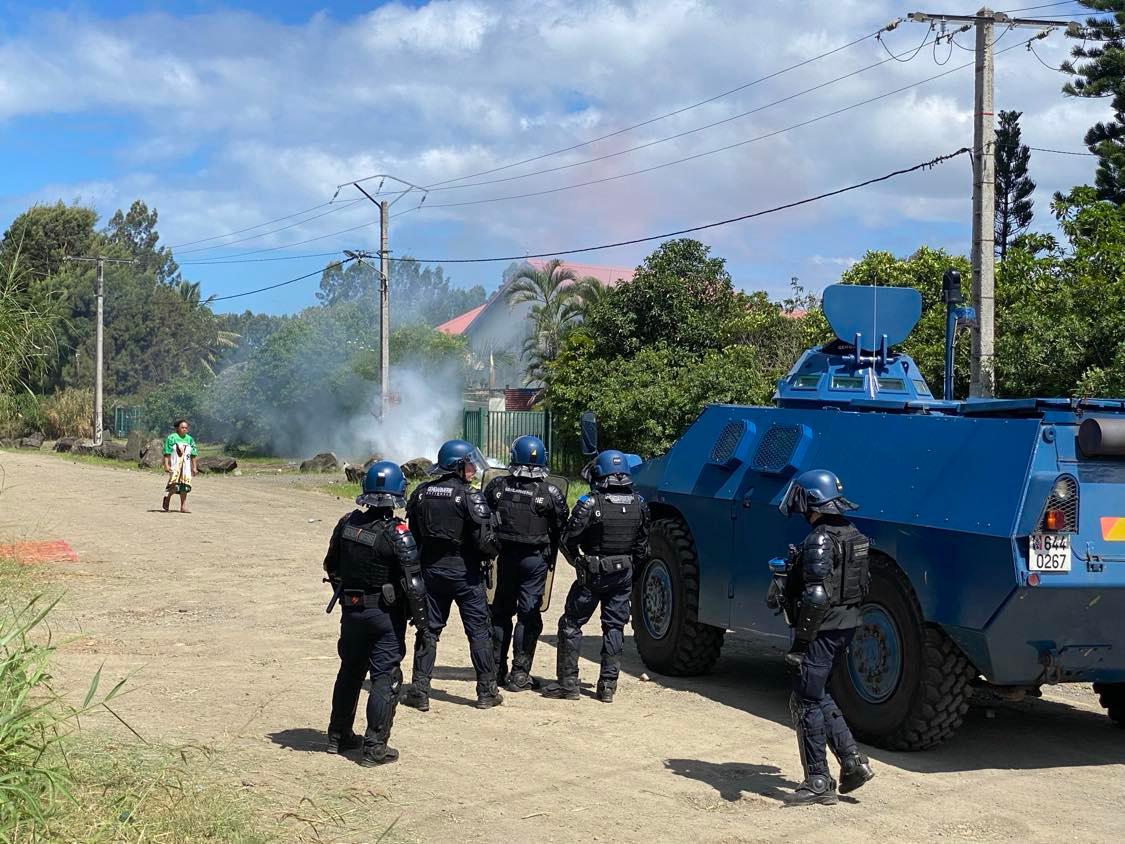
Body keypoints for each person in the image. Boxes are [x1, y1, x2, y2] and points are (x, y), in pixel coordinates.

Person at [771, 468, 875, 806]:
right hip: (845, 623)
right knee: (818, 692)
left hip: (823, 628)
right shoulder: (854, 534)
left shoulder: (821, 538)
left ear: (813, 500)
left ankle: (818, 779)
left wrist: (801, 645)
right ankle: (853, 762)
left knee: (805, 698)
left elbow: (817, 595)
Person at [323, 461, 430, 766]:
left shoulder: (347, 523)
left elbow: (331, 566)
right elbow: (414, 585)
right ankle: (374, 749)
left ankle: (337, 736)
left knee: (350, 672)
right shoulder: (398, 532)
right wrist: (423, 624)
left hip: (351, 611)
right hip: (384, 615)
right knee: (386, 678)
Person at [402, 439, 504, 711]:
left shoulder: (421, 494)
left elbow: (414, 536)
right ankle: (486, 692)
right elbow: (486, 543)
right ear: (457, 465)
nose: (472, 468)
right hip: (466, 575)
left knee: (428, 630)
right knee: (479, 632)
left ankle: (420, 691)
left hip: (432, 574)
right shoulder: (470, 497)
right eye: (468, 463)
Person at [543, 449, 649, 704]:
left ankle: (568, 684)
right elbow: (643, 548)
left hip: (593, 573)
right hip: (623, 573)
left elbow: (568, 540)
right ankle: (608, 686)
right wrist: (629, 571)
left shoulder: (590, 502)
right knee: (614, 627)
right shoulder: (640, 503)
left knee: (571, 624)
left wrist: (579, 563)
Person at [484, 435, 568, 692]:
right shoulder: (550, 492)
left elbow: (484, 518)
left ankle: (496, 671)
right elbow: (561, 527)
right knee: (528, 616)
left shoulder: (498, 486)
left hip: (505, 558)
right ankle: (520, 675)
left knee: (500, 613)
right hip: (534, 561)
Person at [161, 419, 198, 513]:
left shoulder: (189, 439)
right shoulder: (171, 438)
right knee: (174, 486)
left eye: (186, 428)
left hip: (186, 467)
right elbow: (167, 453)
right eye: (182, 427)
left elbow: (193, 454)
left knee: (184, 486)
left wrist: (194, 467)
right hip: (175, 466)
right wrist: (166, 465)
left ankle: (183, 506)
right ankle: (168, 498)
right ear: (177, 428)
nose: (184, 429)